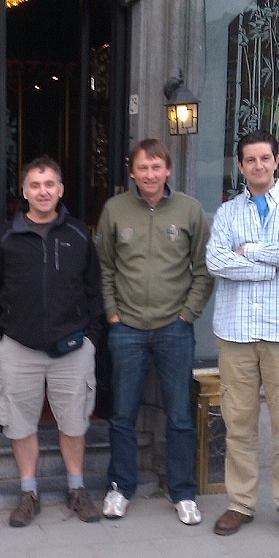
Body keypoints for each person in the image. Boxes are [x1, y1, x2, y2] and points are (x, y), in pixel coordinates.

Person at [0, 156, 104, 526]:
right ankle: (28, 493)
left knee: (74, 422)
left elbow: (94, 292)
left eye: (49, 184)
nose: (43, 191)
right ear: (24, 191)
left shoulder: (79, 235)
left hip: (73, 348)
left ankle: (76, 489)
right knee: (19, 424)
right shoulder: (5, 237)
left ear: (60, 190)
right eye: (35, 185)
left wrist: (91, 340)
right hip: (18, 348)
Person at [206, 129, 279, 544]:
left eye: (265, 158)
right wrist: (272, 265)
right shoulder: (227, 213)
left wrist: (249, 252)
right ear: (240, 166)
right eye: (250, 160)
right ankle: (240, 503)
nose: (258, 166)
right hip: (236, 332)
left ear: (277, 161)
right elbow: (216, 261)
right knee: (238, 423)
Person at [95, 138, 214, 523]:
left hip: (174, 328)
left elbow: (205, 269)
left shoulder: (190, 210)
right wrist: (112, 312)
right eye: (143, 168)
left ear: (168, 170)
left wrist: (188, 314)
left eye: (156, 167)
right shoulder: (115, 210)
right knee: (122, 414)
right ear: (132, 172)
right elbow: (104, 267)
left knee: (179, 415)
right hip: (126, 328)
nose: (150, 174)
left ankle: (183, 492)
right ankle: (120, 487)